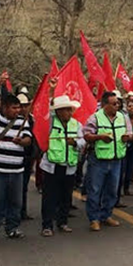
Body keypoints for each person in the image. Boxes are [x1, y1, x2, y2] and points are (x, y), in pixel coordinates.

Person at [0, 73, 33, 244]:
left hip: (17, 171)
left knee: (16, 202)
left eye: (19, 108)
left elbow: (28, 140)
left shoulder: (22, 122)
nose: (17, 111)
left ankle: (12, 228)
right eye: (13, 108)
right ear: (4, 108)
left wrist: (22, 141)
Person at [83, 92, 132, 231]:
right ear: (105, 105)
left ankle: (106, 215)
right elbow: (86, 135)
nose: (117, 106)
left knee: (112, 190)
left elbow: (130, 133)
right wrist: (99, 137)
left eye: (118, 103)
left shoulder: (123, 117)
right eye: (114, 103)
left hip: (117, 159)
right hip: (99, 159)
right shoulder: (95, 118)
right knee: (95, 190)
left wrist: (126, 137)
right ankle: (94, 218)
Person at [40, 94, 85, 237]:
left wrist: (76, 143)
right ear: (58, 111)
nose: (69, 113)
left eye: (70, 110)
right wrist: (51, 90)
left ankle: (62, 222)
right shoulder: (51, 123)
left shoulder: (76, 124)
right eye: (66, 110)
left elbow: (83, 140)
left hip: (69, 165)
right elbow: (43, 111)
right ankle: (47, 225)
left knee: (66, 196)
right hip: (52, 165)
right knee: (49, 197)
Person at [18, 93, 38, 221]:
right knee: (13, 188)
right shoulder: (12, 120)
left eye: (25, 106)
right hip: (15, 157)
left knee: (23, 186)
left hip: (28, 156)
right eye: (21, 106)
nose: (23, 108)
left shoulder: (32, 119)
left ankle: (22, 211)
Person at [122, 100, 133, 197]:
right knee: (122, 169)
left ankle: (126, 188)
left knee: (130, 169)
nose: (132, 108)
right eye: (129, 106)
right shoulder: (123, 118)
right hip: (125, 146)